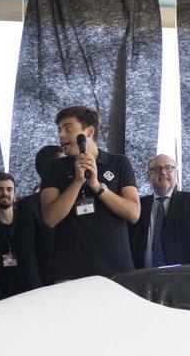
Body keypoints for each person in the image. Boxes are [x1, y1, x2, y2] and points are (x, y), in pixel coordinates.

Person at [40, 106, 139, 281]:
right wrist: (77, 181)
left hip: (116, 269)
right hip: (70, 272)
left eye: (68, 128)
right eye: (59, 130)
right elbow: (50, 218)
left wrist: (97, 186)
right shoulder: (53, 168)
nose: (61, 135)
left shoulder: (119, 163)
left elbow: (133, 213)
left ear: (90, 132)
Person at [129, 155, 190, 268]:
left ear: (176, 175)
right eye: (157, 168)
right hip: (144, 277)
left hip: (181, 278)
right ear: (148, 175)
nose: (163, 172)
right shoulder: (138, 205)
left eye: (169, 168)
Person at [15, 145, 65, 287]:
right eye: (64, 162)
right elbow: (26, 257)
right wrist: (37, 291)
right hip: (45, 287)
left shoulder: (75, 199)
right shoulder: (28, 206)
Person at [0, 172, 38, 297]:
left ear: (15, 195)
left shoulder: (28, 221)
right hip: (2, 293)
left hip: (32, 289)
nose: (5, 193)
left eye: (9, 189)